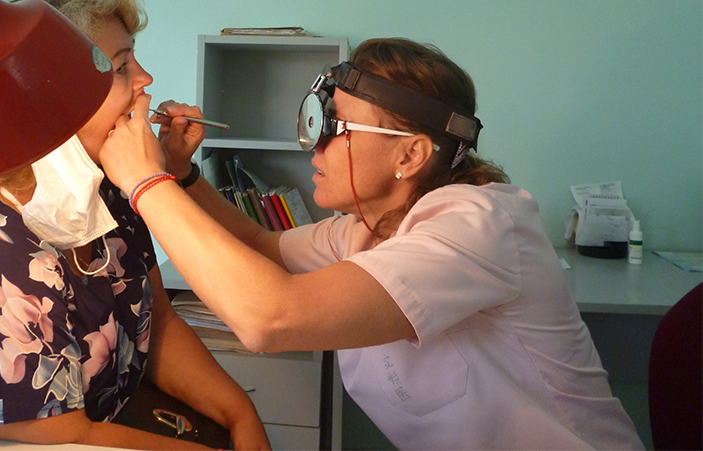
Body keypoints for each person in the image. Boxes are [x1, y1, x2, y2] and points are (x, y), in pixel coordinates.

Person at [101, 37, 645, 450]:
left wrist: (146, 182)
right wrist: (182, 174)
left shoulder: (476, 224)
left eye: (337, 127)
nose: (316, 144)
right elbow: (259, 247)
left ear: (410, 155)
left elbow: (271, 317)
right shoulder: (368, 228)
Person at [0, 0, 270, 450]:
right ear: (44, 95)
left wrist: (242, 414)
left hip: (102, 418)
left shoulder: (109, 193)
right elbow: (63, 437)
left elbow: (157, 322)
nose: (145, 79)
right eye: (121, 66)